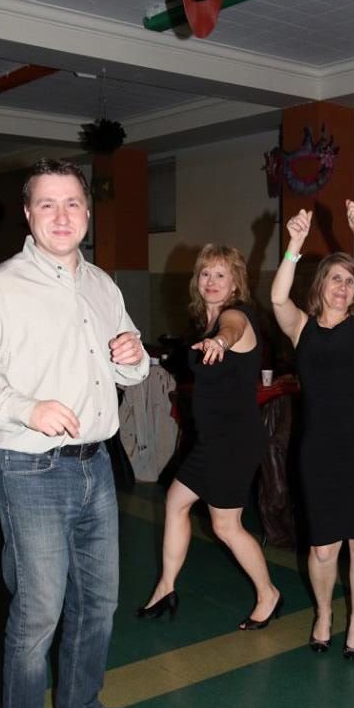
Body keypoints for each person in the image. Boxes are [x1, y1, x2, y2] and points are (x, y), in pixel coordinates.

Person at [0, 159, 150, 708]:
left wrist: (134, 356)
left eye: (72, 203)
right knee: (39, 611)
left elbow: (127, 369)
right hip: (30, 468)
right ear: (28, 214)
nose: (62, 215)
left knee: (99, 601)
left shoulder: (102, 285)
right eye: (47, 204)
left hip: (96, 464)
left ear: (88, 213)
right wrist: (26, 408)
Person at [271, 200, 354, 658]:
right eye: (336, 279)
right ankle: (324, 613)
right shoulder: (300, 328)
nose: (343, 287)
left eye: (350, 281)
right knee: (323, 548)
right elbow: (277, 298)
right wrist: (294, 244)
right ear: (321, 285)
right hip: (320, 450)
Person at [138, 244, 281, 629]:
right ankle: (166, 587)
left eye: (221, 275)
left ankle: (268, 594)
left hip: (234, 441)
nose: (211, 281)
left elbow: (232, 331)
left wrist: (220, 342)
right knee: (176, 502)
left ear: (235, 283)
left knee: (225, 526)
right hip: (212, 440)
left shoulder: (236, 316)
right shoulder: (206, 322)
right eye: (205, 274)